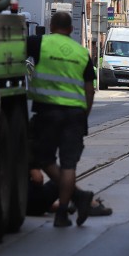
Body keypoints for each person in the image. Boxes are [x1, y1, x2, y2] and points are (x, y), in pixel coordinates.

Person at [27, 12, 97, 228]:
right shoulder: (82, 53)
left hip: (48, 111)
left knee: (42, 159)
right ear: (71, 29)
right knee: (69, 165)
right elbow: (89, 90)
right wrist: (83, 114)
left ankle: (76, 200)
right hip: (74, 115)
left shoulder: (39, 43)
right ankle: (62, 215)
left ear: (51, 25)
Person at [27, 167, 112, 217]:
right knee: (62, 179)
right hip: (31, 204)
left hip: (23, 208)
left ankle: (62, 206)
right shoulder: (25, 151)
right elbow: (38, 179)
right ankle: (89, 204)